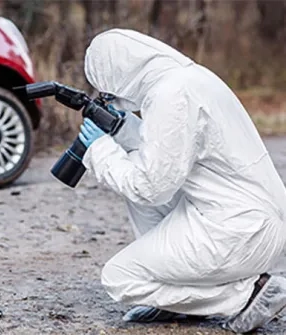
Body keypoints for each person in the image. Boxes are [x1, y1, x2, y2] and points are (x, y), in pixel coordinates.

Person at [78, 28, 286, 333]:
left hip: (240, 232)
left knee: (120, 277)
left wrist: (100, 151)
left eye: (106, 87)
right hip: (248, 220)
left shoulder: (170, 96)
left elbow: (150, 187)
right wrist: (123, 130)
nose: (107, 95)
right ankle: (176, 298)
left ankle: (245, 296)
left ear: (118, 72)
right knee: (137, 178)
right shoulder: (189, 80)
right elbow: (172, 154)